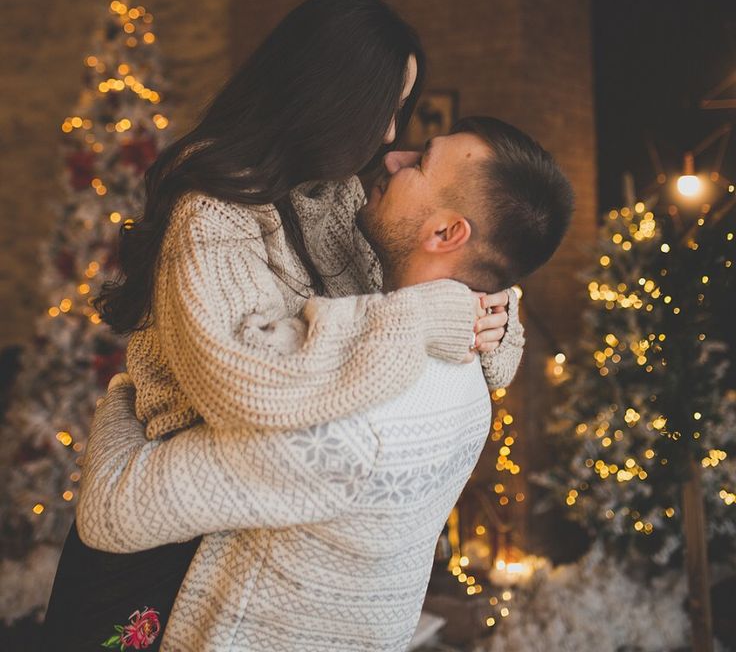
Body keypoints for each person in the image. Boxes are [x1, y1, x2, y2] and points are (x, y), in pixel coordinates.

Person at [40, 0, 518, 651]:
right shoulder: (211, 212)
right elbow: (256, 385)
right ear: (331, 97)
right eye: (388, 110)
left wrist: (490, 313)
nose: (388, 137)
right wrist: (423, 318)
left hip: (245, 521)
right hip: (167, 545)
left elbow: (417, 291)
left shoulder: (338, 196)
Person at [77, 117, 574, 652]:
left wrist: (133, 386)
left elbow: (112, 510)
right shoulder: (472, 363)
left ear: (446, 233)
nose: (392, 158)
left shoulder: (343, 426)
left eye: (421, 161)